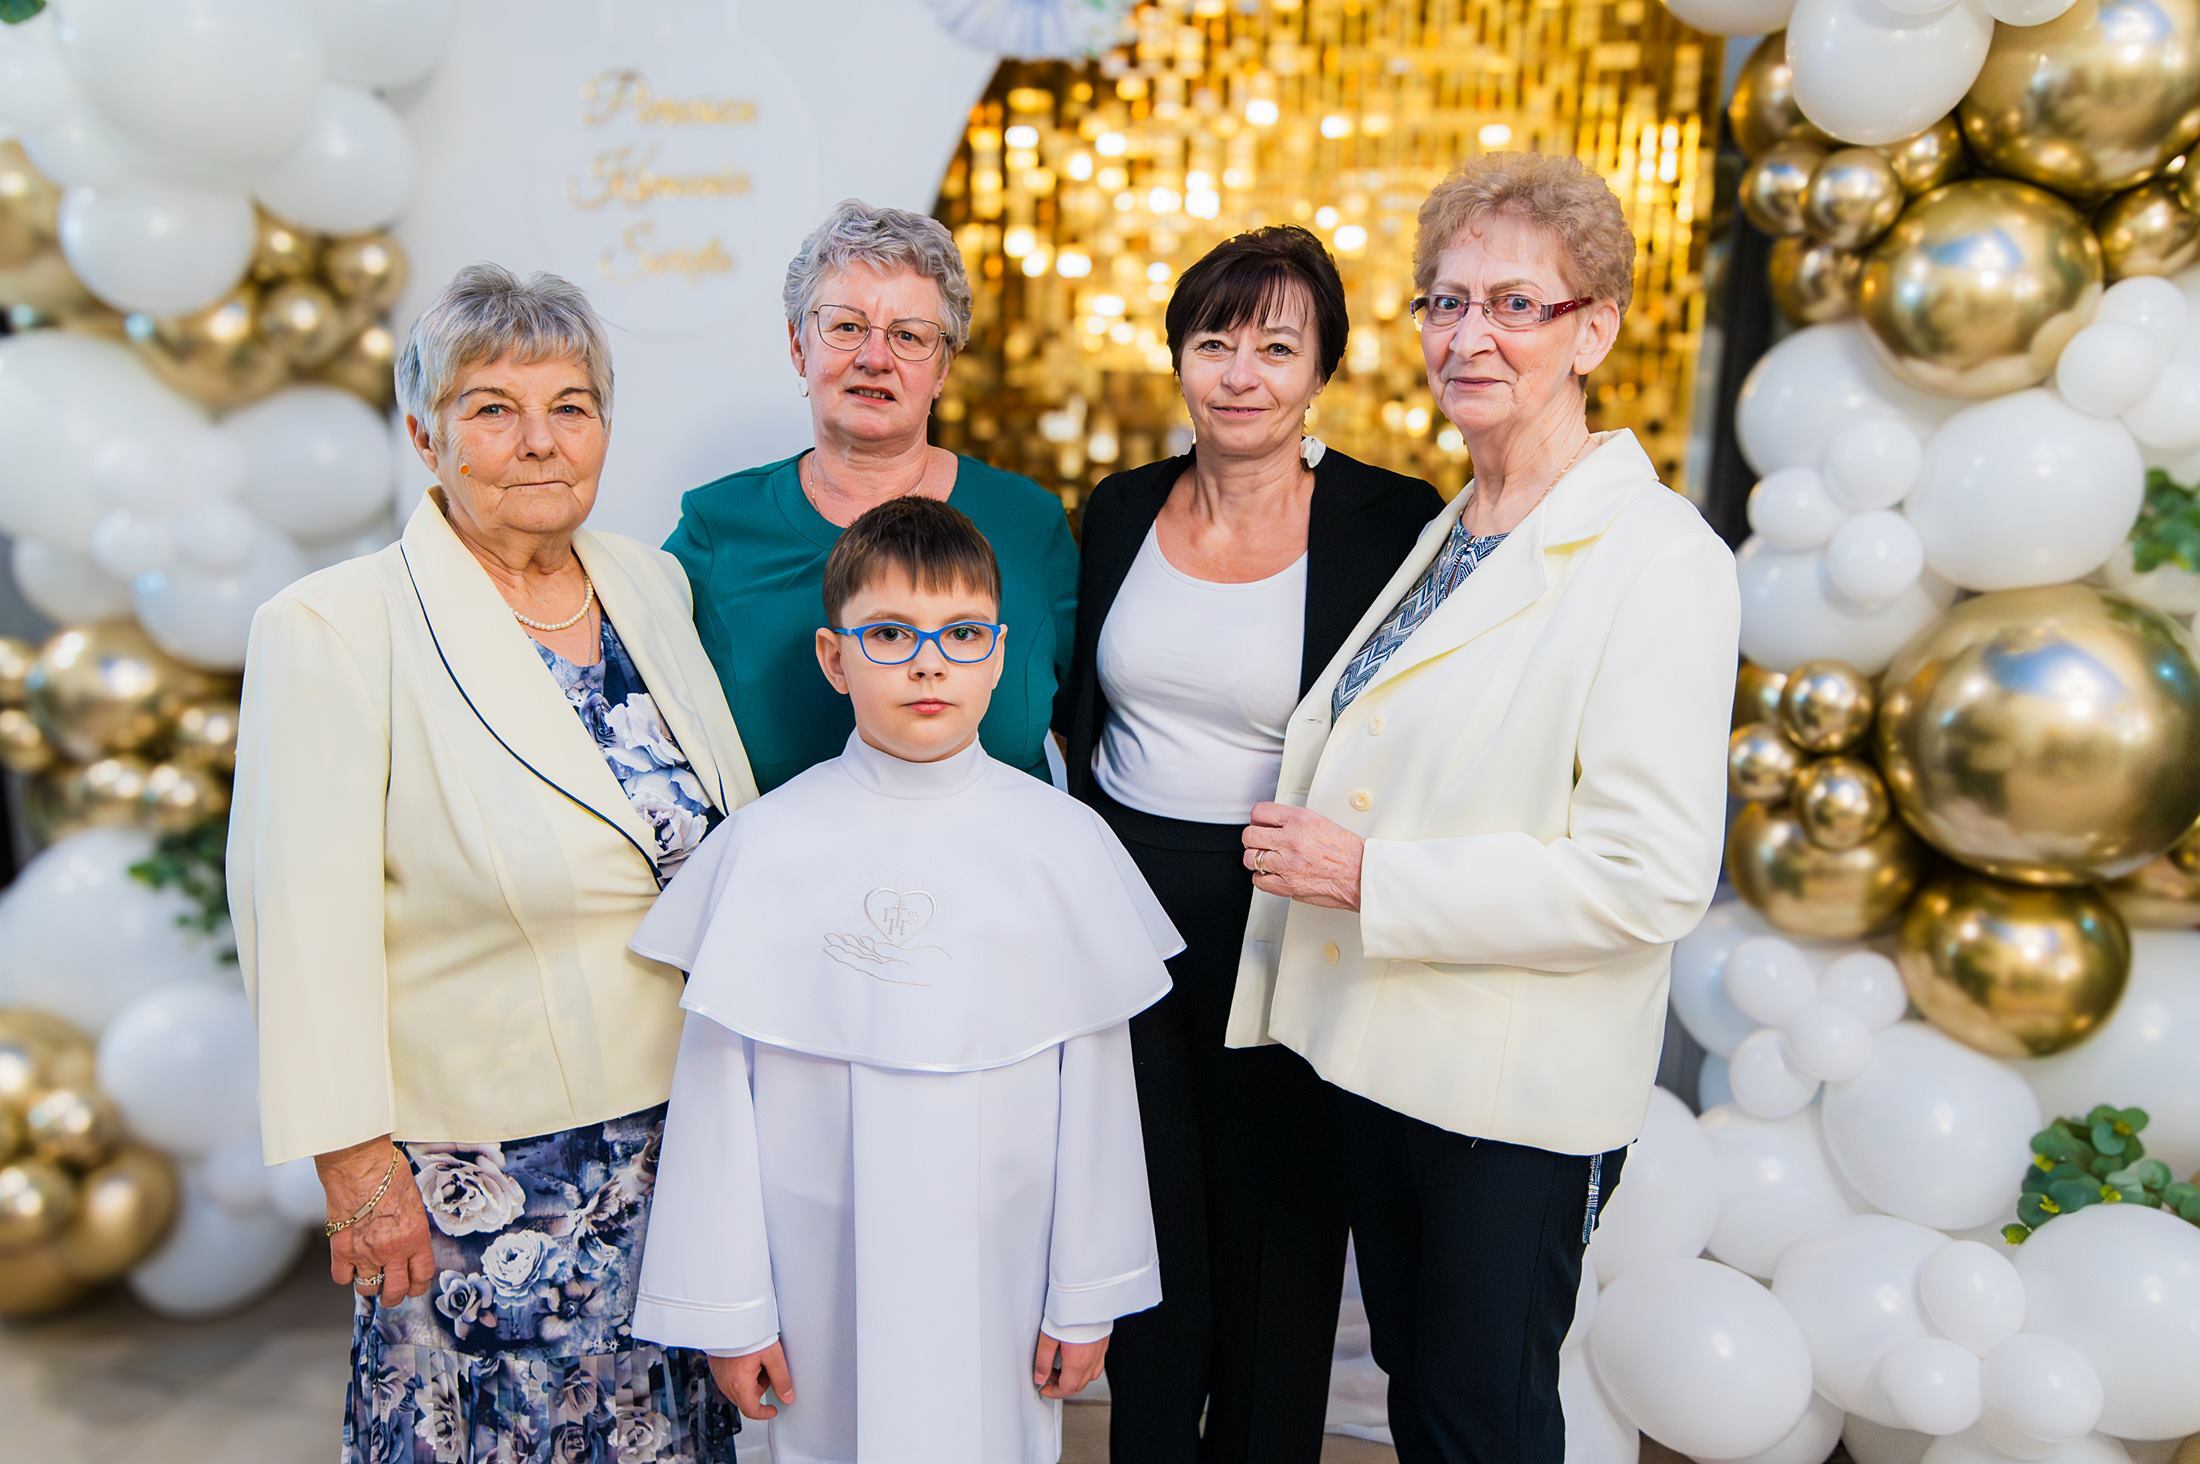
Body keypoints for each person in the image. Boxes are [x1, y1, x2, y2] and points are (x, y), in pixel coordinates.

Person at [1225, 153, 1740, 1463]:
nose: (1469, 336)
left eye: (1516, 305)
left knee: (1481, 1426)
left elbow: (1647, 876)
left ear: (1594, 330)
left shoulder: (1658, 559)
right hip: (1390, 1065)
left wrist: (1367, 877)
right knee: (1431, 1404)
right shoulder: (1459, 524)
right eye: (1446, 302)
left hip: (1509, 1101)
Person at [228, 264, 757, 1462]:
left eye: (571, 405)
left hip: (686, 1138)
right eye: (492, 409)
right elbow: (298, 920)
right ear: (426, 435)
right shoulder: (333, 627)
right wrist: (357, 1169)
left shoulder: (649, 584)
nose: (539, 441)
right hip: (490, 1179)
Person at [629, 497, 1177, 1464]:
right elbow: (717, 1100)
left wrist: (1087, 1294)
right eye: (889, 634)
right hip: (816, 1274)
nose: (929, 664)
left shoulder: (1063, 844)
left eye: (962, 634)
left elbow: (1099, 1097)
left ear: (999, 655)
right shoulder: (766, 846)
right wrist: (731, 1311)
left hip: (1007, 1268)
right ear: (833, 658)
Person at [1054, 224, 1440, 1463]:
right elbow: (1078, 711)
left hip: (1289, 908)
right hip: (1125, 911)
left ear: (1322, 369)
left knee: (1281, 1237)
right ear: (1177, 356)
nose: (1240, 374)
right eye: (1214, 341)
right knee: (1146, 1222)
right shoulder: (1119, 508)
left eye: (1276, 347)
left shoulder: (1390, 520)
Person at [666, 198, 1077, 794]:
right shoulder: (716, 529)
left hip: (1002, 853)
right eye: (846, 327)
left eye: (909, 336)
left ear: (943, 369)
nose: (874, 358)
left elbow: (1092, 730)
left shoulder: (1028, 524)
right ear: (798, 346)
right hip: (783, 853)